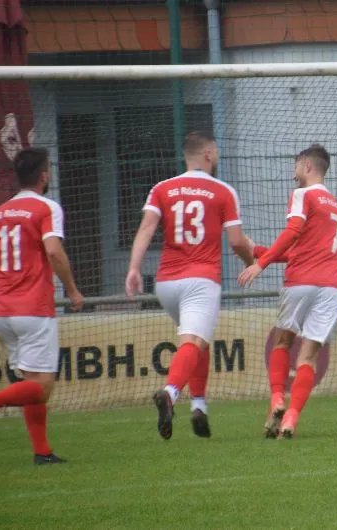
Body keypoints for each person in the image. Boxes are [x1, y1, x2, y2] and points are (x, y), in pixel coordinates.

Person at [125, 132, 254, 440]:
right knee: (193, 341)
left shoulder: (162, 188)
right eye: (216, 151)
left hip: (167, 283)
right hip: (200, 279)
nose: (217, 156)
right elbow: (236, 241)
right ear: (208, 154)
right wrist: (252, 261)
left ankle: (199, 406)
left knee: (199, 342)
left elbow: (146, 228)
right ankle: (170, 393)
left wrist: (133, 268)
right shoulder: (223, 191)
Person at [0, 147, 84, 465]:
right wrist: (73, 290)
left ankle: (42, 452)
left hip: (1, 311)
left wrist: (2, 282)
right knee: (42, 387)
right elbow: (54, 251)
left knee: (31, 381)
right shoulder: (46, 207)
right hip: (32, 309)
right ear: (44, 176)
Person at [238, 143, 337, 440]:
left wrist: (260, 263)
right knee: (308, 358)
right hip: (332, 286)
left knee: (283, 342)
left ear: (307, 165)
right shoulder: (335, 206)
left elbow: (294, 231)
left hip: (301, 281)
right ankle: (290, 421)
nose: (294, 171)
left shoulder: (302, 194)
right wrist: (258, 250)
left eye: (297, 164)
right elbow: (302, 249)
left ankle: (277, 400)